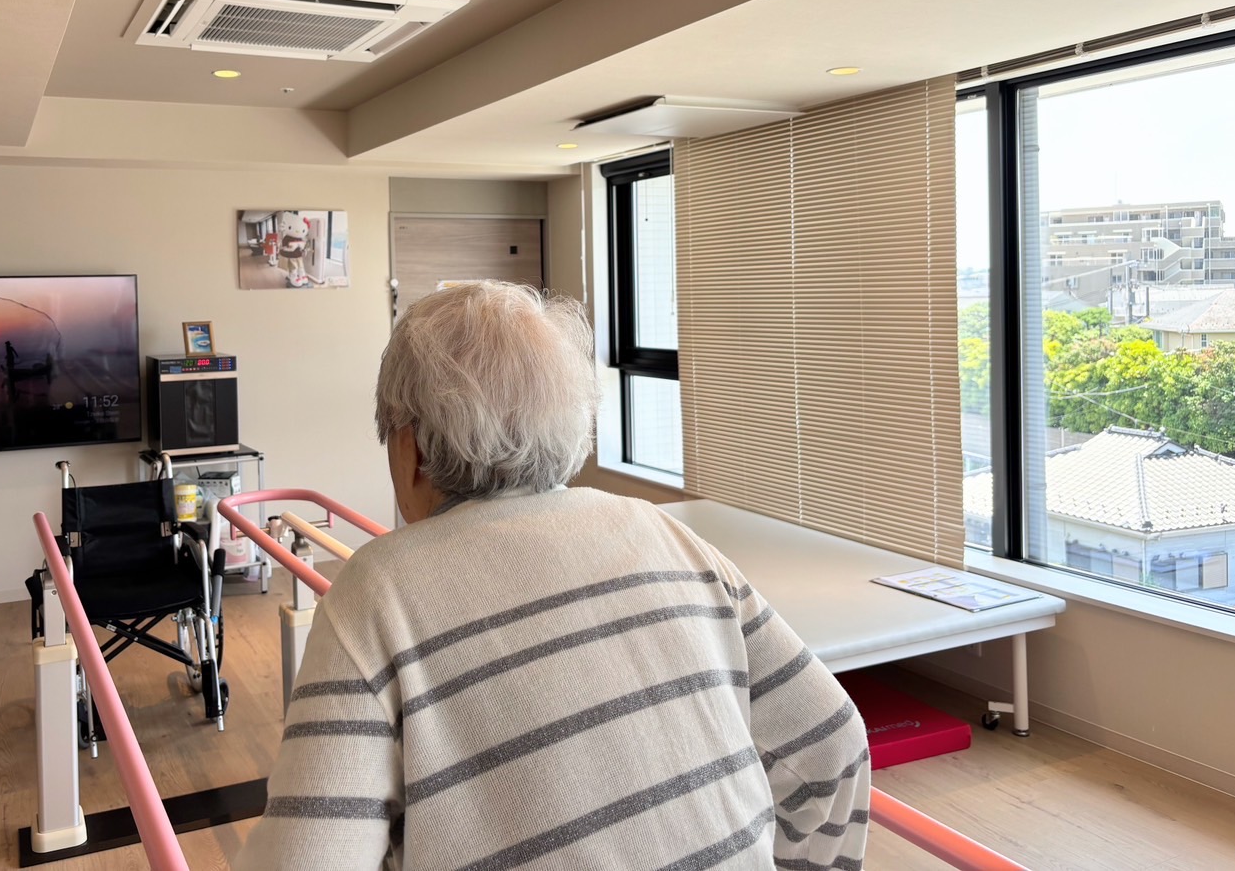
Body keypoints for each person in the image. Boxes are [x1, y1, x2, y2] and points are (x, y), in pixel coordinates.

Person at [237, 282, 869, 871]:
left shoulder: (377, 591)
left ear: (413, 448)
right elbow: (832, 745)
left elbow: (305, 859)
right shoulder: (665, 532)